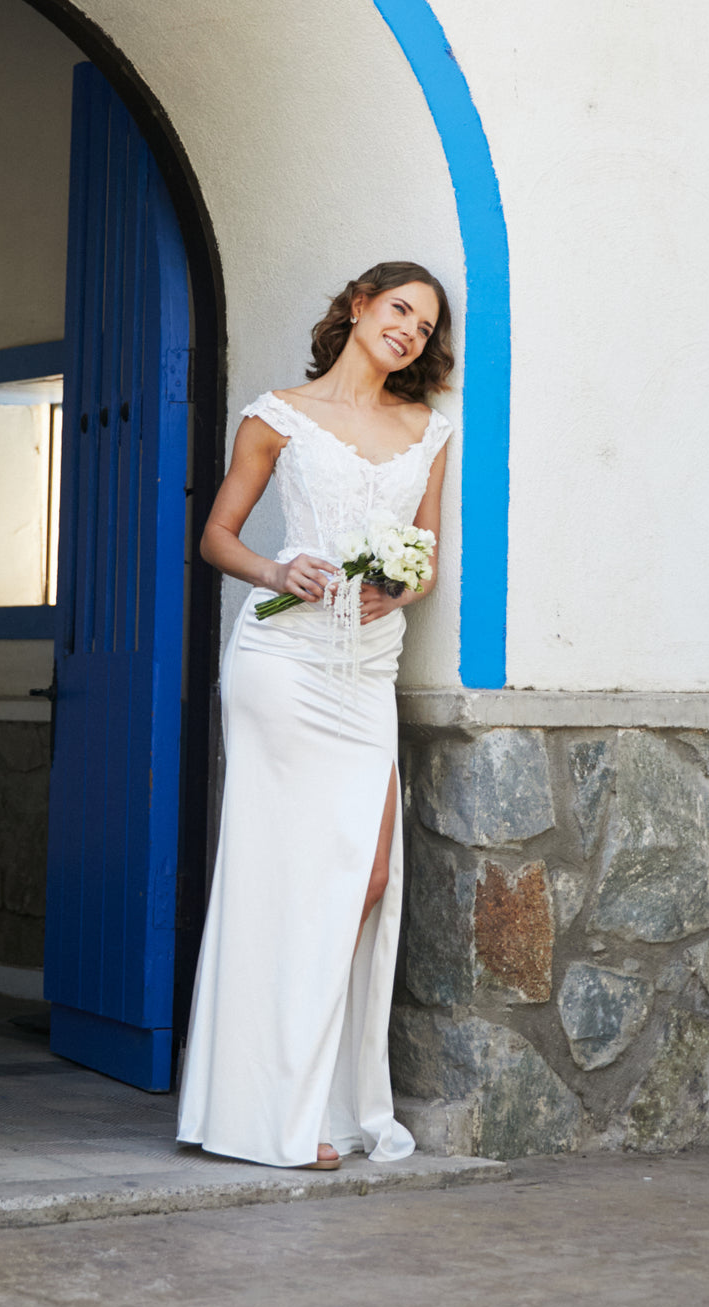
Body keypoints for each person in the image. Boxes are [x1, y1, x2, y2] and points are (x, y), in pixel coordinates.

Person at [177, 261, 453, 1169]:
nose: (409, 330)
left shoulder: (427, 429)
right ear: (359, 307)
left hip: (367, 671)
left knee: (367, 879)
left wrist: (400, 587)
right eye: (399, 309)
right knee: (277, 876)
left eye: (425, 323)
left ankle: (326, 1102)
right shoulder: (279, 413)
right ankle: (273, 1116)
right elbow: (217, 534)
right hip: (283, 663)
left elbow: (429, 561)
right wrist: (276, 571)